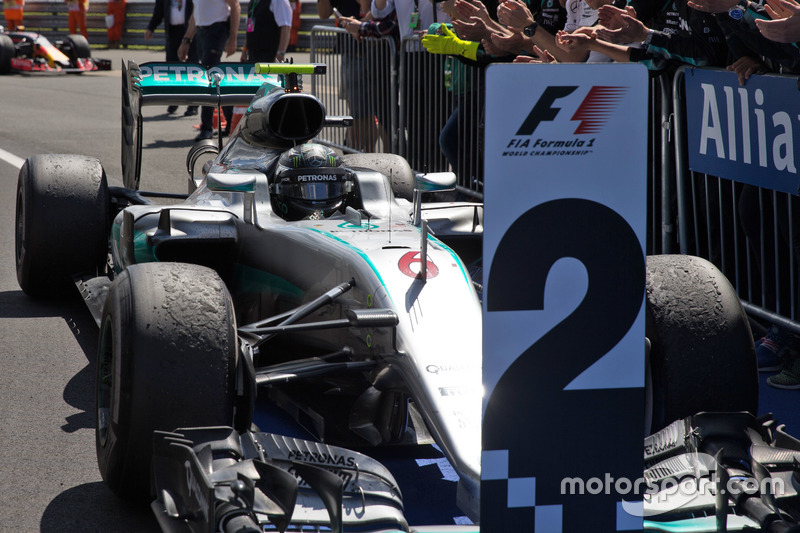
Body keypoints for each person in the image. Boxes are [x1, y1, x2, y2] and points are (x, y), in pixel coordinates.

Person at [178, 0, 240, 141]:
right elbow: (195, 14)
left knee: (208, 77)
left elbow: (235, 6)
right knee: (215, 79)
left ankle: (207, 127)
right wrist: (186, 41)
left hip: (217, 29)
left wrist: (233, 39)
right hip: (201, 31)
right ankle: (230, 122)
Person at [146, 0, 200, 115]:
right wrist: (151, 27)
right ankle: (174, 100)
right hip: (172, 31)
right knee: (171, 67)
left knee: (192, 68)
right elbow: (159, 11)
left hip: (190, 32)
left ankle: (193, 104)